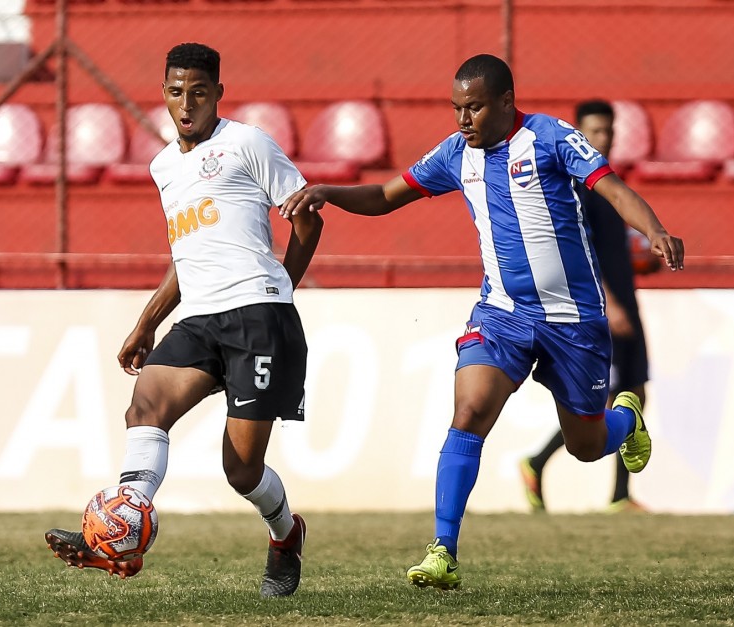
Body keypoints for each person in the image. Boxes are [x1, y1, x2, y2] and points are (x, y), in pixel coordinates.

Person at [280, 54, 683, 590]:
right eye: (456, 108)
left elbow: (610, 187)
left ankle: (625, 421)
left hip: (574, 321)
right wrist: (330, 191)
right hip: (503, 315)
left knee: (585, 444)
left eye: (473, 108)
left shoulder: (549, 137)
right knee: (469, 410)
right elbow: (383, 196)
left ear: (506, 103)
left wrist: (654, 229)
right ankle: (442, 550)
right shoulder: (454, 154)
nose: (462, 120)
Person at [44, 42, 323, 599]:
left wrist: (280, 289)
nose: (187, 103)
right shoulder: (163, 166)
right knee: (145, 407)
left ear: (218, 93)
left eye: (199, 92)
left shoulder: (246, 143)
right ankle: (120, 531)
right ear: (164, 94)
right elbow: (187, 254)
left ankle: (285, 534)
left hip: (258, 316)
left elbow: (308, 218)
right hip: (199, 317)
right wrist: (147, 322)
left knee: (241, 472)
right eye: (176, 92)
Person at [519, 99, 651, 514]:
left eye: (608, 132)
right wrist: (610, 302)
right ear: (578, 133)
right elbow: (582, 254)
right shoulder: (578, 189)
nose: (602, 139)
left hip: (625, 302)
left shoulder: (607, 184)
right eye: (593, 132)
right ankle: (537, 463)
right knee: (604, 406)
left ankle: (619, 496)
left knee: (635, 394)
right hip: (602, 309)